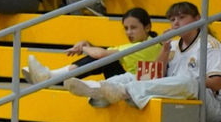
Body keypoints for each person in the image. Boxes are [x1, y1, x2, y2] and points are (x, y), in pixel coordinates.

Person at [61, 2, 220, 122]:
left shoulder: (209, 45)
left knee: (187, 81)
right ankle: (97, 89)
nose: (176, 23)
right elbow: (156, 72)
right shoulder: (172, 44)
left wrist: (185, 81)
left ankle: (123, 91)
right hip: (178, 93)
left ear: (197, 19)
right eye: (172, 19)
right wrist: (164, 48)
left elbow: (216, 83)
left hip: (209, 103)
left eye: (182, 17)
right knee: (134, 75)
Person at [25, 8, 162, 87]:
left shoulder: (147, 46)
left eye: (133, 28)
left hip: (136, 85)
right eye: (126, 28)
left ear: (148, 27)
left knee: (105, 59)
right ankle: (53, 77)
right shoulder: (141, 43)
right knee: (107, 59)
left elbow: (101, 55)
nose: (128, 32)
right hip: (130, 80)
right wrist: (87, 44)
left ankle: (51, 76)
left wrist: (84, 47)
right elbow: (103, 53)